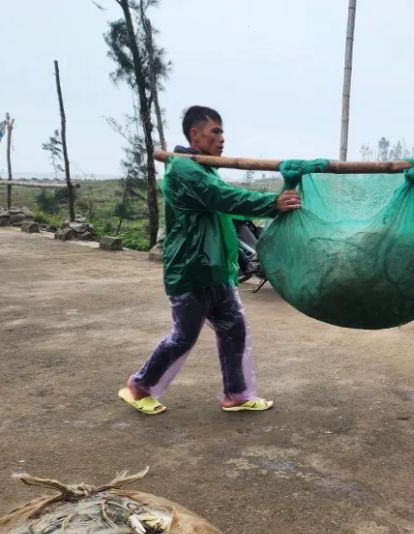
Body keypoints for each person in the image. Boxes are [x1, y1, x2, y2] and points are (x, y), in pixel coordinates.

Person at [119, 105, 300, 415]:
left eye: (222, 132)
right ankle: (138, 387)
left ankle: (236, 394)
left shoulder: (203, 168)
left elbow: (226, 198)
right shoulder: (185, 170)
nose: (222, 138)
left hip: (215, 268)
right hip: (190, 270)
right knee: (183, 337)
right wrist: (272, 203)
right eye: (215, 131)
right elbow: (224, 197)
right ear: (195, 134)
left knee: (234, 327)